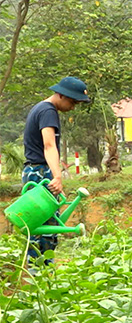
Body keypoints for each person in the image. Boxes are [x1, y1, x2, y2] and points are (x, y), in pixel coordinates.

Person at [22, 76, 91, 267]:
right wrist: (58, 176)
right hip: (40, 173)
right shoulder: (47, 111)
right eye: (72, 101)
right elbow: (49, 145)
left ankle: (39, 273)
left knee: (40, 226)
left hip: (34, 171)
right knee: (46, 228)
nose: (73, 107)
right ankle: (42, 275)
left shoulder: (41, 108)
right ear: (60, 95)